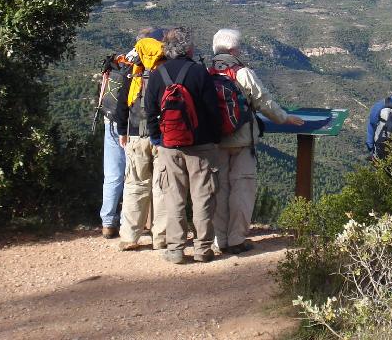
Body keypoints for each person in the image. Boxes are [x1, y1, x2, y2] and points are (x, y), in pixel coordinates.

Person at [210, 28, 304, 255]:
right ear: (233, 49)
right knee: (242, 189)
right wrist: (285, 118)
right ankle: (236, 239)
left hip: (214, 142)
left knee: (218, 191)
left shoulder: (204, 70)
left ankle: (218, 239)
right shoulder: (242, 73)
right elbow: (264, 101)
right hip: (242, 140)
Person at [144, 27, 222, 264]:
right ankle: (202, 249)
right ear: (188, 48)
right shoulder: (199, 73)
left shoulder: (158, 75)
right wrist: (213, 139)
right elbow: (212, 112)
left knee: (174, 198)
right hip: (201, 147)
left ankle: (176, 249)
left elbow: (150, 113)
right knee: (202, 198)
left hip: (169, 146)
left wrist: (159, 140)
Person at [116, 31, 168, 251]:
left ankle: (129, 236)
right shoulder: (165, 71)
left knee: (135, 185)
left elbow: (121, 104)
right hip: (163, 137)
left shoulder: (134, 72)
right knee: (162, 186)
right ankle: (161, 237)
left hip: (136, 133)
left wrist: (122, 131)